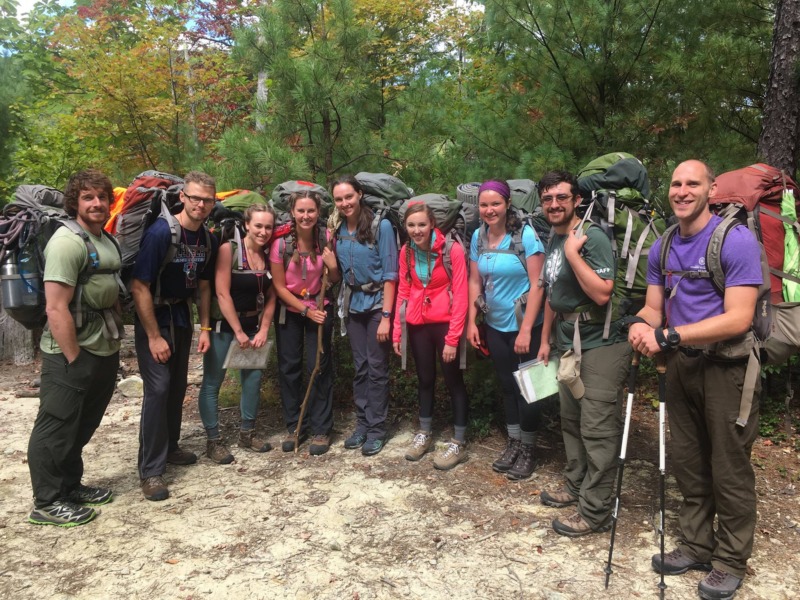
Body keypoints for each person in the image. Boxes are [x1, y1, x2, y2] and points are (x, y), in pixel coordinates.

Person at [628, 160, 762, 600]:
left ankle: (729, 560)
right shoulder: (663, 246)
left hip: (728, 368)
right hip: (681, 365)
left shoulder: (735, 240)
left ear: (712, 189)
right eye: (675, 184)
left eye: (692, 183)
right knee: (688, 461)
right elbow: (654, 308)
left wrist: (671, 333)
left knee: (729, 465)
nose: (682, 191)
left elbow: (740, 317)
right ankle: (696, 544)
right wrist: (641, 325)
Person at [536, 170, 632, 537]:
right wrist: (545, 339)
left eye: (562, 197)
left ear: (577, 200)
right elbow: (551, 293)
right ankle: (575, 486)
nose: (554, 204)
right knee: (571, 421)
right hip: (567, 341)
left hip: (602, 344)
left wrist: (575, 255)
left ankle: (595, 511)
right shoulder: (554, 238)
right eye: (548, 199)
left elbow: (602, 293)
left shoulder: (589, 237)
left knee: (597, 428)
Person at [27, 169, 123, 526]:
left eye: (101, 197)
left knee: (82, 422)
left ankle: (70, 484)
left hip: (102, 346)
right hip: (71, 351)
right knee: (56, 424)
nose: (97, 203)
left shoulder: (105, 239)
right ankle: (47, 501)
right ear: (75, 203)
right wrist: (72, 357)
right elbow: (55, 307)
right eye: (88, 197)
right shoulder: (67, 243)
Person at [131, 171, 218, 501]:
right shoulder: (160, 233)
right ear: (183, 196)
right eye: (195, 197)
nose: (201, 204)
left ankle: (170, 447)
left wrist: (205, 326)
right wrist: (153, 336)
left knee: (178, 385)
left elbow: (205, 286)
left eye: (207, 200)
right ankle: (151, 471)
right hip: (155, 316)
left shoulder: (206, 238)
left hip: (182, 316)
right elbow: (139, 285)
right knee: (158, 388)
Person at [466, 179, 546, 480]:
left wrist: (526, 329)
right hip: (495, 325)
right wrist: (472, 320)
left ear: (507, 203)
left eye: (495, 204)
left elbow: (539, 286)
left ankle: (529, 449)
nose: (489, 210)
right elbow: (475, 281)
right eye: (484, 205)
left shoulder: (526, 236)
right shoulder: (478, 235)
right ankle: (514, 442)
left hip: (527, 326)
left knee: (530, 390)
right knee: (507, 386)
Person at [198, 201, 277, 464]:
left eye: (268, 227)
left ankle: (247, 434)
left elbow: (271, 295)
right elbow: (221, 292)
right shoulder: (228, 250)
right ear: (246, 225)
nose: (263, 232)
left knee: (252, 381)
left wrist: (264, 328)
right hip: (225, 328)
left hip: (255, 329)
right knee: (213, 382)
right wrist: (238, 332)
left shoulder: (267, 255)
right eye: (258, 226)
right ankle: (213, 441)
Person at [392, 202, 469, 470]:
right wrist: (397, 331)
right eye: (411, 225)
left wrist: (453, 338)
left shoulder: (452, 250)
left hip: (446, 323)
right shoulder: (407, 252)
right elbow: (403, 289)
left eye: (421, 224)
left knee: (453, 379)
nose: (416, 230)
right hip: (417, 322)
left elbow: (461, 295)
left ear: (432, 224)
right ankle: (424, 432)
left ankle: (458, 440)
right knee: (425, 378)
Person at [331, 175, 398, 456]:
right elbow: (337, 276)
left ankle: (377, 429)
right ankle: (362, 425)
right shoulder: (336, 230)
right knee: (360, 367)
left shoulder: (379, 225)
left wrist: (386, 316)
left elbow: (391, 274)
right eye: (339, 199)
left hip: (377, 305)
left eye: (349, 196)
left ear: (359, 194)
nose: (344, 203)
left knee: (377, 367)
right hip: (353, 304)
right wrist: (330, 264)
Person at [270, 190, 340, 456]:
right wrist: (305, 311)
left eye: (311, 210)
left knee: (318, 365)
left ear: (318, 212)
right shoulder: (281, 244)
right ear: (293, 212)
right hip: (292, 310)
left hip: (321, 307)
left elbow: (334, 278)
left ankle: (321, 429)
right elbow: (279, 286)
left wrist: (332, 266)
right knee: (289, 367)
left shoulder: (326, 238)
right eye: (301, 211)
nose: (306, 216)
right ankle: (295, 426)